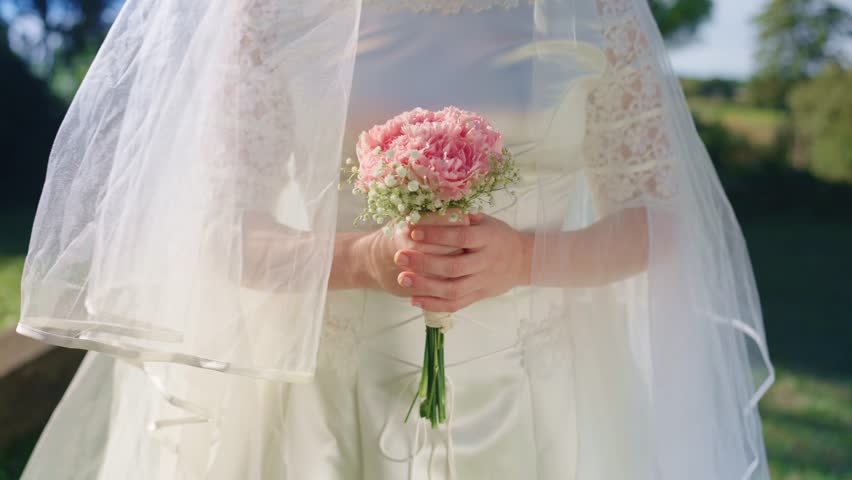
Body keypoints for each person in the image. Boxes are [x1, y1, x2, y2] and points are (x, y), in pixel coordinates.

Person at [17, 1, 774, 479]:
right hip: (325, 399)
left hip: (539, 397)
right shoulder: (267, 13)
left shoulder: (598, 13)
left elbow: (663, 218)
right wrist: (360, 259)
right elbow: (212, 226)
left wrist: (527, 258)